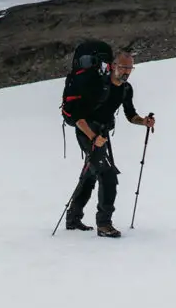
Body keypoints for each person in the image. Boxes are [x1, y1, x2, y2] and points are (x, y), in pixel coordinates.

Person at [62, 49, 155, 238]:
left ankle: (73, 218)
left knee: (91, 173)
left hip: (101, 133)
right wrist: (93, 137)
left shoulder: (126, 90)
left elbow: (130, 114)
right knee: (107, 174)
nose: (127, 72)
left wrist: (143, 121)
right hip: (87, 132)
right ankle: (104, 224)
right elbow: (79, 118)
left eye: (130, 68)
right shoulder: (96, 85)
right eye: (123, 67)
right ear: (113, 66)